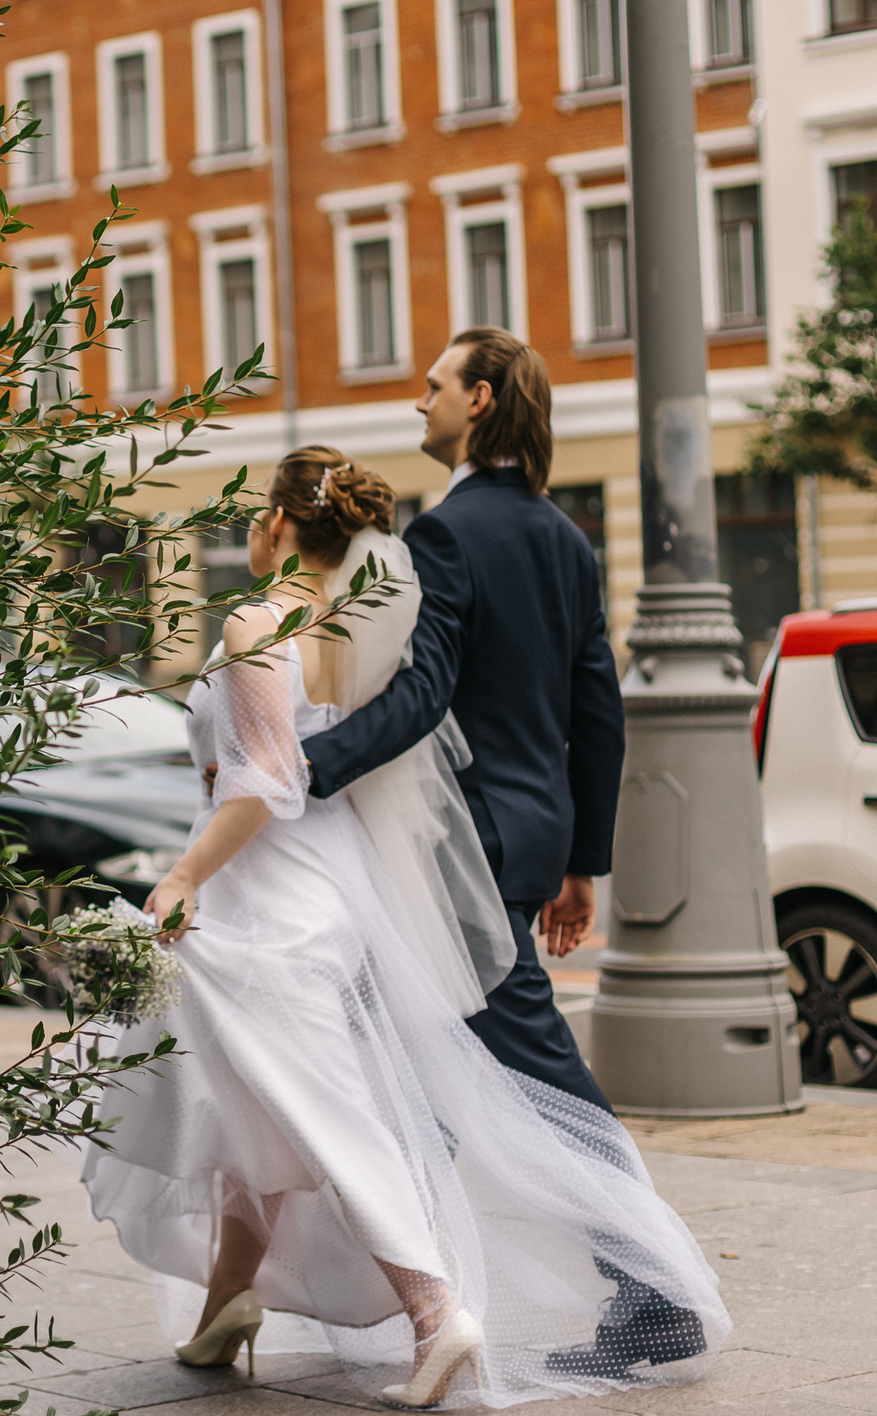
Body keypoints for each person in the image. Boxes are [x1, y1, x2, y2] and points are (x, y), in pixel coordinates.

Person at [80, 441, 725, 1408]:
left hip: (272, 899)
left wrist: (177, 879)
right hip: (328, 887)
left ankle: (434, 1312)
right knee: (254, 1093)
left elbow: (263, 781)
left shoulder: (258, 618)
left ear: (286, 525)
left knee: (319, 1110)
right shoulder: (344, 632)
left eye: (262, 508)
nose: (253, 523)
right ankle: (227, 1300)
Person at [294, 326, 704, 1375]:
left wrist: (302, 768)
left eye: (432, 386)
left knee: (537, 1071)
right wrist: (580, 858)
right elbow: (591, 709)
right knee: (412, 1067)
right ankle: (420, 1297)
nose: (415, 403)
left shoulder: (447, 533)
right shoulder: (563, 535)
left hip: (457, 851)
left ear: (478, 401)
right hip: (521, 833)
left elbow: (424, 697)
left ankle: (655, 1288)